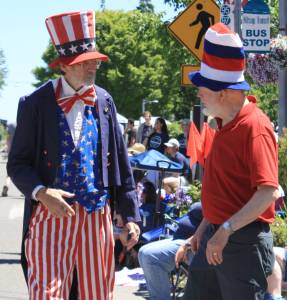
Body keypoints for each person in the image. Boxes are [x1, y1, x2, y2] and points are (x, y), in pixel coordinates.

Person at [7, 11, 140, 300]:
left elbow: (120, 161)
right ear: (65, 66)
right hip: (52, 213)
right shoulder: (34, 103)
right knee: (47, 292)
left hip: (96, 215)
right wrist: (42, 193)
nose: (94, 65)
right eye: (85, 61)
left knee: (97, 293)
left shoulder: (104, 101)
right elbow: (17, 163)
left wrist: (130, 215)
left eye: (94, 59)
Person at [184, 23, 279, 300]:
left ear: (223, 92)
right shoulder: (224, 123)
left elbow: (267, 193)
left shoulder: (255, 127)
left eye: (203, 88)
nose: (199, 94)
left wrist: (223, 230)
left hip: (242, 243)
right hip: (217, 236)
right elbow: (224, 190)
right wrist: (203, 228)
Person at [138, 202, 203, 300]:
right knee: (143, 251)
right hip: (180, 238)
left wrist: (187, 244)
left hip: (194, 244)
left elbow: (211, 227)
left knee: (150, 256)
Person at [1, 123, 16, 197]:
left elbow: (7, 141)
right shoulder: (22, 126)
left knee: (9, 173)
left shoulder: (10, 128)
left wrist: (7, 150)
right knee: (24, 171)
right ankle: (25, 191)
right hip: (21, 153)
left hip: (11, 154)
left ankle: (6, 185)